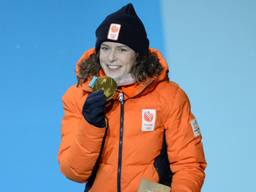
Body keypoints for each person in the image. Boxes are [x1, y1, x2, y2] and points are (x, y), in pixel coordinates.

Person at [58, 3, 207, 192]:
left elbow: (190, 165)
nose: (111, 58)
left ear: (138, 54)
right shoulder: (79, 96)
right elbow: (74, 172)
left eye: (122, 49)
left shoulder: (169, 97)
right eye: (105, 48)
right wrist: (91, 124)